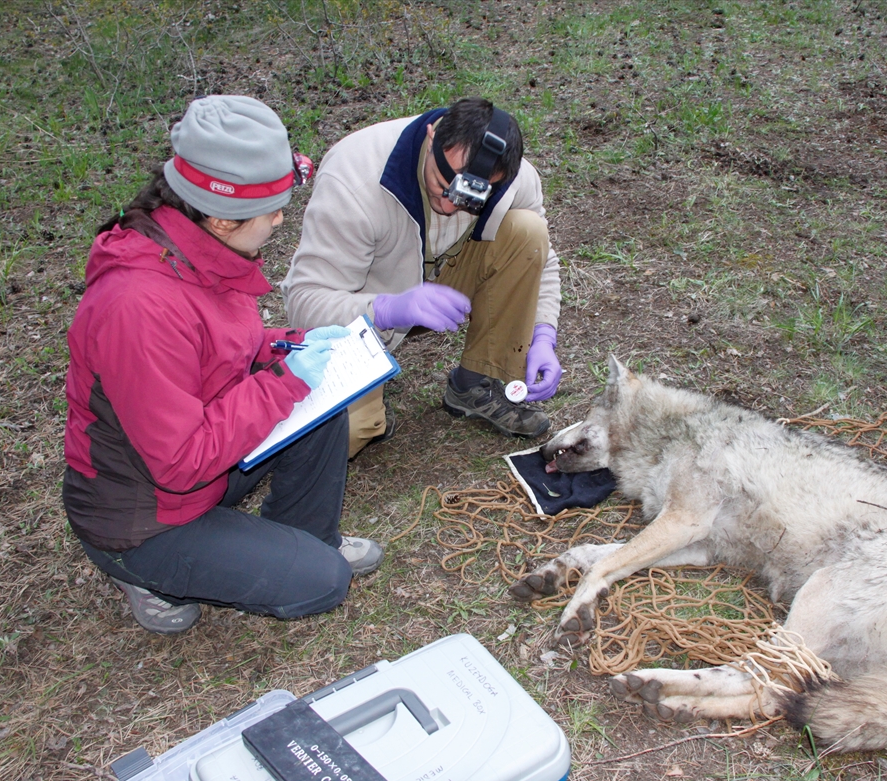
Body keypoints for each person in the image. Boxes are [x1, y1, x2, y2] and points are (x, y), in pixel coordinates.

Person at [62, 95, 382, 636]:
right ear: (219, 215)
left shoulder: (197, 251)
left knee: (322, 391)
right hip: (146, 516)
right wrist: (281, 383)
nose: (282, 219)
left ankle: (300, 536)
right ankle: (139, 572)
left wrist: (290, 346)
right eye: (274, 209)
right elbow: (181, 461)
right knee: (323, 582)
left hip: (205, 465)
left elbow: (224, 346)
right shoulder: (136, 306)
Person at [282, 97, 563, 456]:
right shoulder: (354, 178)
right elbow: (305, 302)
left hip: (444, 283)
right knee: (343, 437)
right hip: (368, 311)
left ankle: (478, 383)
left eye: (465, 201)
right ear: (431, 138)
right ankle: (367, 401)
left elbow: (542, 258)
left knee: (527, 230)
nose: (447, 205)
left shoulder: (513, 180)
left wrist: (543, 335)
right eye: (440, 183)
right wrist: (387, 310)